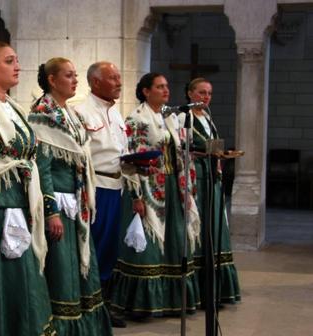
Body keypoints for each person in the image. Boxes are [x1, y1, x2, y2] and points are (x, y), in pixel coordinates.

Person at [0, 41, 55, 336]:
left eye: (17, 60)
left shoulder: (13, 108)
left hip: (21, 205)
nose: (17, 66)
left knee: (26, 285)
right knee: (4, 287)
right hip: (1, 209)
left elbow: (30, 156)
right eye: (9, 61)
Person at [28, 58, 113, 335]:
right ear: (52, 80)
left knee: (82, 266)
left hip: (77, 202)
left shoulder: (71, 113)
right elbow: (43, 165)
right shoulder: (44, 111)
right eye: (69, 75)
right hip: (60, 203)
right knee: (63, 269)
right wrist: (52, 211)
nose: (75, 80)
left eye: (76, 75)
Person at [110, 72, 201, 317]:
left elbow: (180, 151)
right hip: (150, 188)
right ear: (146, 91)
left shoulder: (170, 118)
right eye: (159, 86)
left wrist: (187, 185)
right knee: (149, 247)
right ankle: (143, 304)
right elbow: (130, 159)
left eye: (167, 86)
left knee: (174, 240)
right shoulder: (137, 118)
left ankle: (173, 301)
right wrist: (135, 195)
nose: (165, 90)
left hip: (173, 186)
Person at [73, 61, 144, 327]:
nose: (119, 82)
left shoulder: (115, 113)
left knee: (111, 249)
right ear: (94, 82)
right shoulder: (80, 112)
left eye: (118, 77)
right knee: (95, 247)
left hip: (118, 187)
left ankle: (105, 304)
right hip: (96, 189)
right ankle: (91, 305)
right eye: (113, 78)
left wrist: (136, 179)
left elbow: (121, 152)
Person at [184, 77, 241, 306]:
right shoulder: (184, 117)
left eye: (209, 93)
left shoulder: (207, 117)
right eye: (201, 92)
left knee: (215, 224)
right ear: (190, 94)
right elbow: (185, 147)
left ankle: (217, 289)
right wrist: (208, 153)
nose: (205, 97)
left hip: (211, 174)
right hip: (196, 175)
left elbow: (212, 145)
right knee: (201, 224)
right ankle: (199, 289)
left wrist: (222, 154)